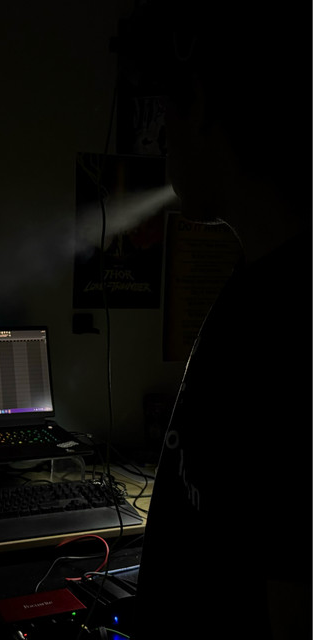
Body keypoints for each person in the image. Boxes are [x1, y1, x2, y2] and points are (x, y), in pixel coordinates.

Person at [125, 1, 312, 638]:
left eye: (166, 110)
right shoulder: (256, 286)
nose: (160, 138)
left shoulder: (290, 327)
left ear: (200, 102)